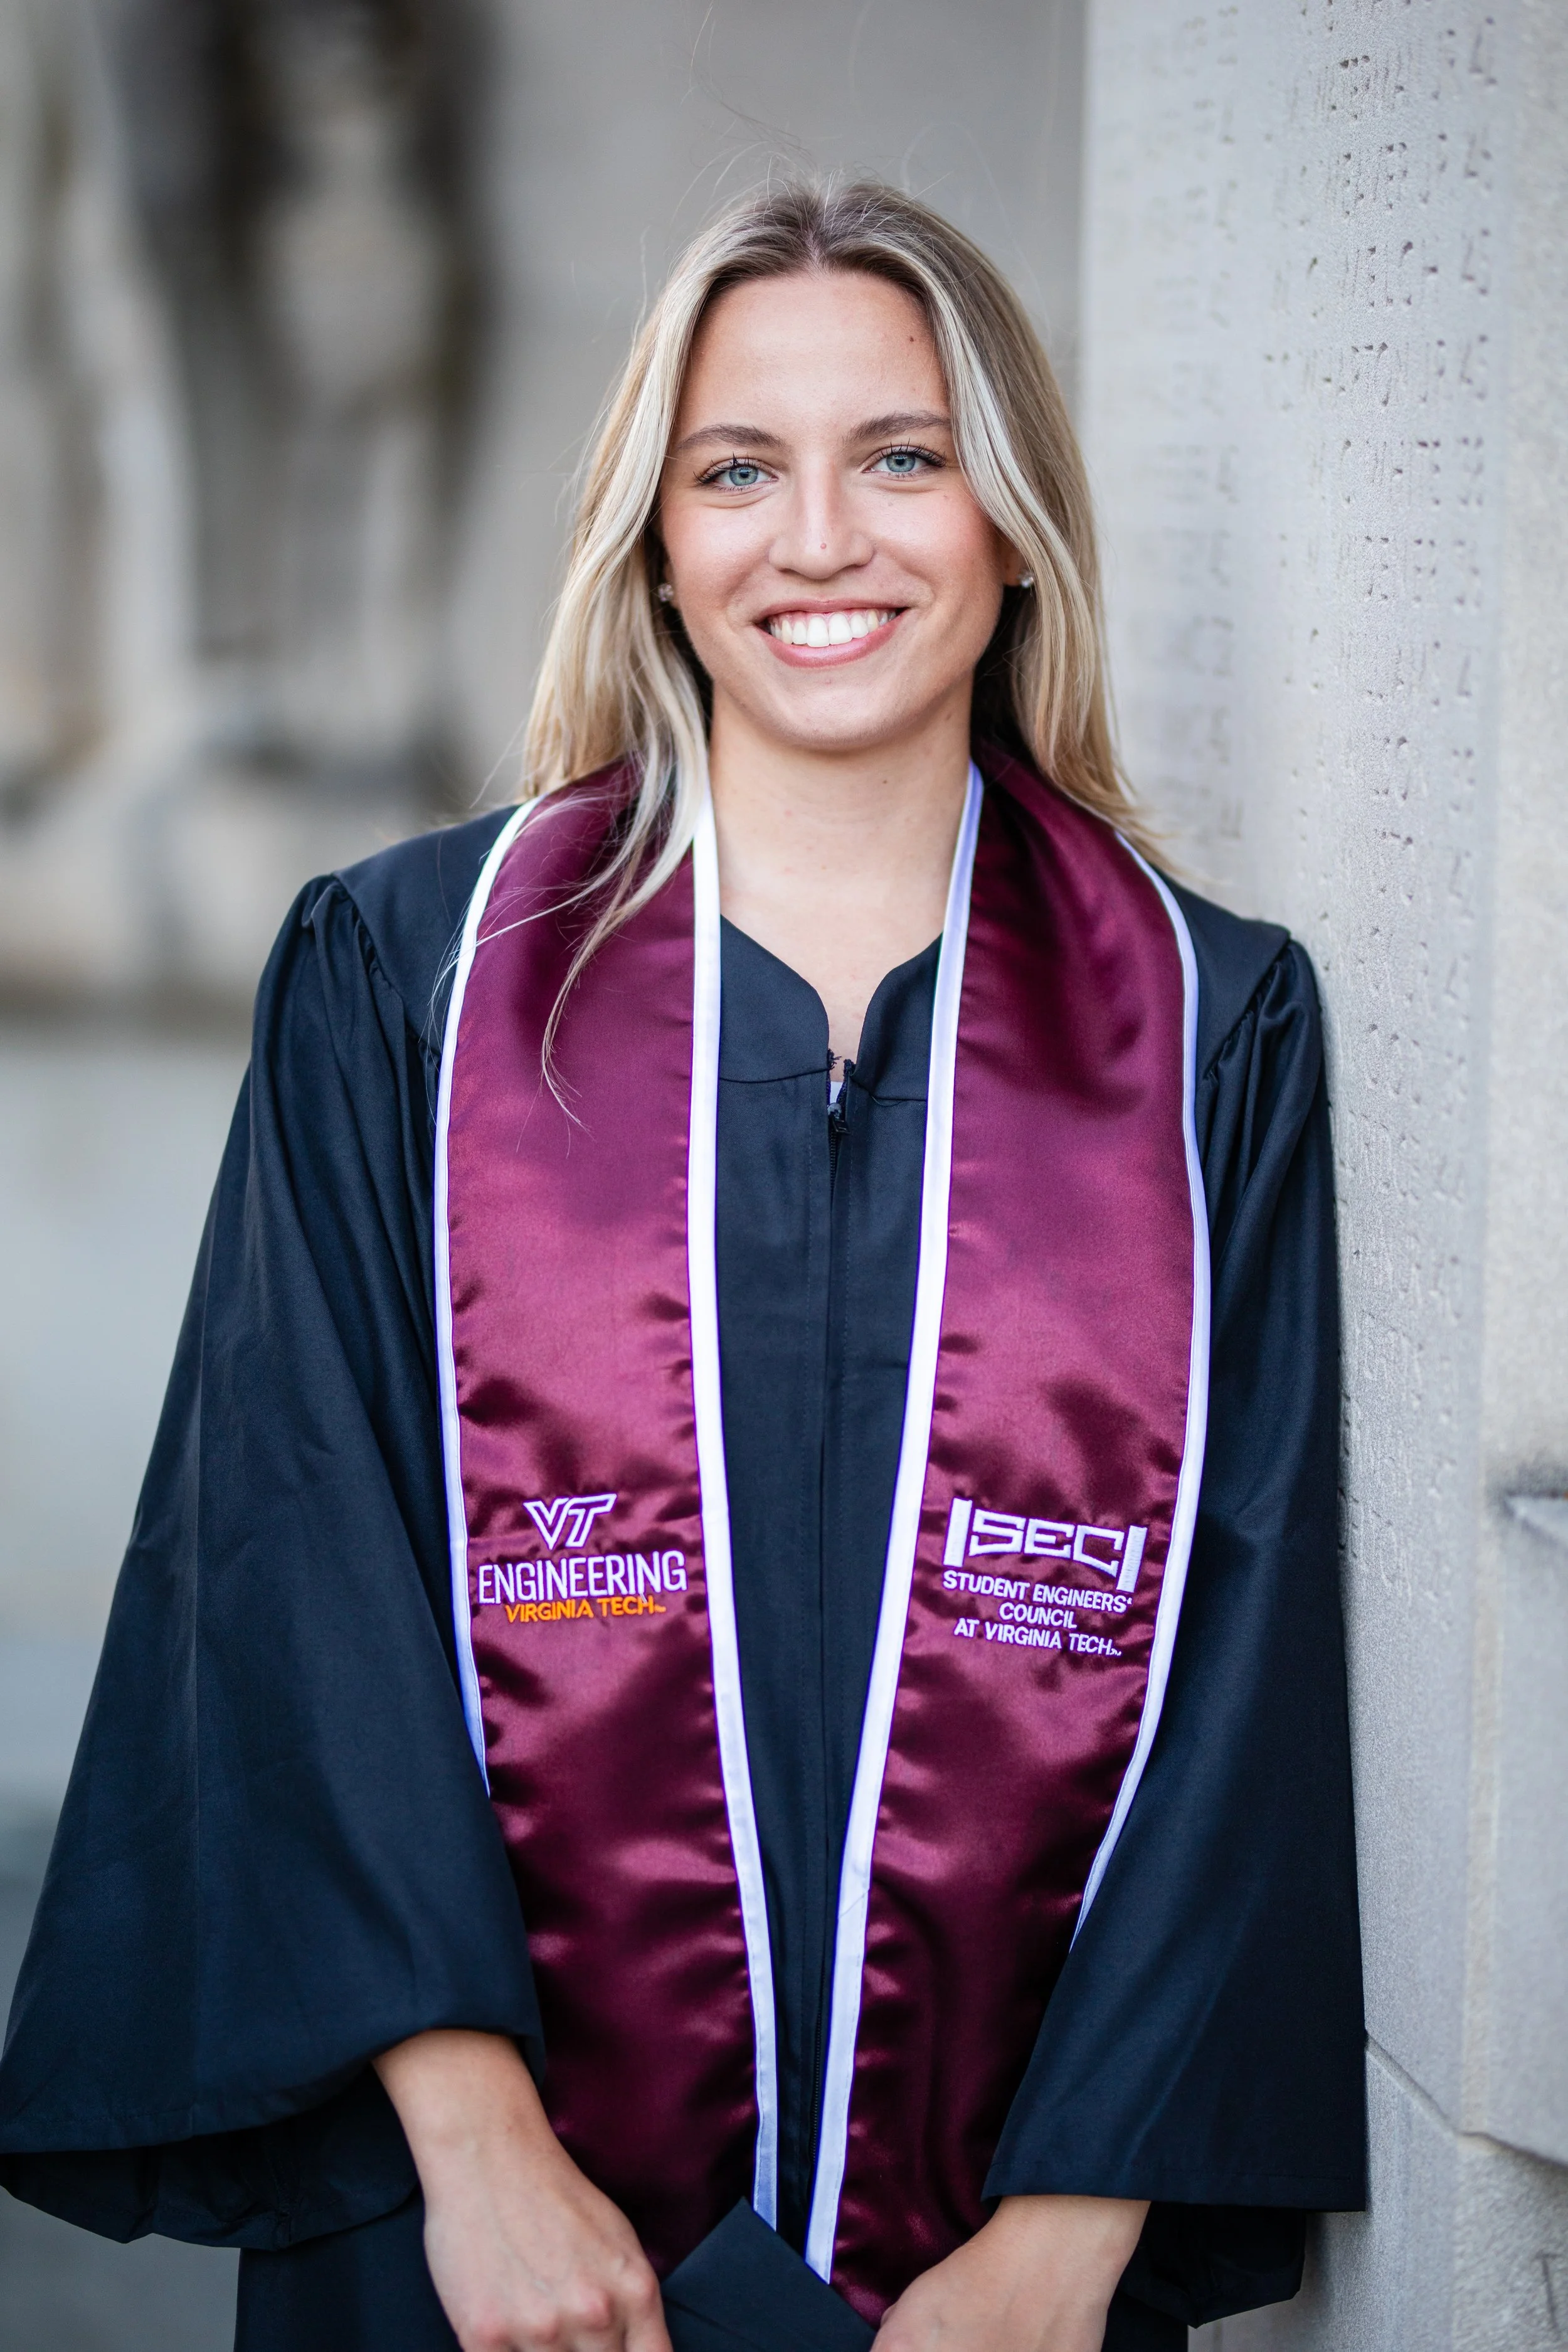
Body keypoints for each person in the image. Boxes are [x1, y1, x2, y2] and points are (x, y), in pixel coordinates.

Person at [0, 181, 1364, 2352]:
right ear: (654, 536)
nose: (817, 538)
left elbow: (1253, 1644)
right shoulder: (414, 985)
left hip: (998, 2253)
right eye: (738, 468)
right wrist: (478, 2154)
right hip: (486, 2247)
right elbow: (289, 1564)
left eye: (901, 456)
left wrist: (1070, 2230)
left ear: (1012, 522)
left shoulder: (1204, 1031)